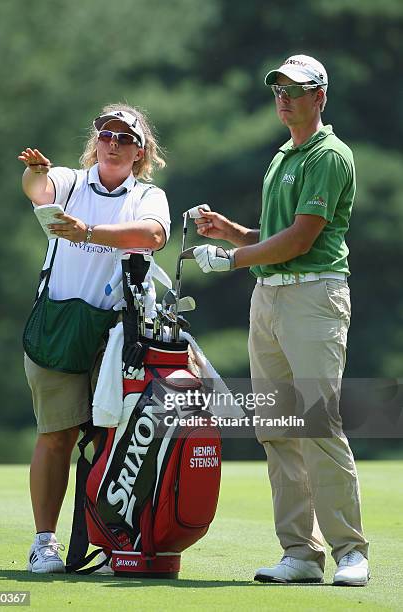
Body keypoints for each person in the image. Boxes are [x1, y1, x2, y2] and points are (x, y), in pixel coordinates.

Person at [193, 55, 369, 586]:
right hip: (268, 300)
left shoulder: (329, 155)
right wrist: (231, 234)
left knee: (318, 422)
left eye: (296, 89)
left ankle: (350, 552)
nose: (284, 97)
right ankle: (300, 553)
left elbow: (300, 240)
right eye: (279, 89)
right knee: (277, 429)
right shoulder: (282, 158)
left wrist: (230, 261)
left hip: (314, 297)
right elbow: (271, 240)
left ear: (320, 97)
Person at [18, 104, 170, 573]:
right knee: (56, 436)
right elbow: (39, 191)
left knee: (114, 442)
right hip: (60, 326)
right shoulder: (69, 180)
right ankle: (45, 542)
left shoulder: (147, 195)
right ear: (96, 140)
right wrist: (35, 174)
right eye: (107, 135)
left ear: (140, 151)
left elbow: (153, 234)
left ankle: (110, 540)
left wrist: (89, 231)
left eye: (125, 138)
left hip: (116, 336)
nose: (114, 144)